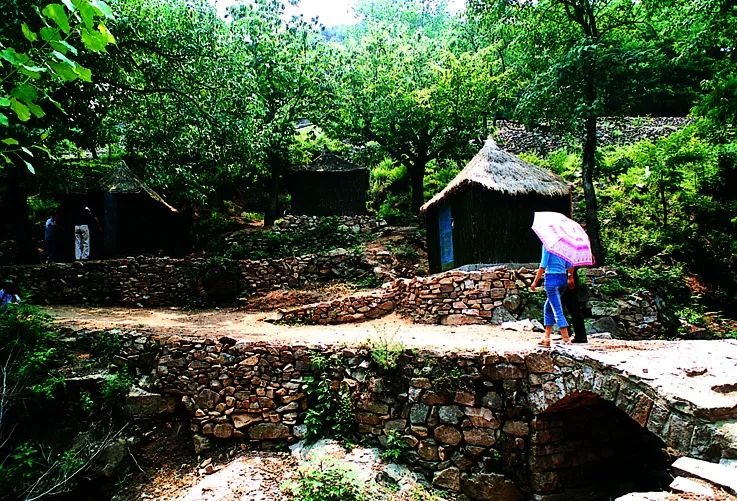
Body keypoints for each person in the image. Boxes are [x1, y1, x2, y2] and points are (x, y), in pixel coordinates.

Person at [530, 245, 574, 347]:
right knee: (548, 307)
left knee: (557, 309)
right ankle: (546, 338)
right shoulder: (565, 246)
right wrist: (570, 277)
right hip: (563, 279)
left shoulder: (547, 245)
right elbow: (570, 265)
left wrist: (535, 282)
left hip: (551, 280)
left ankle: (566, 339)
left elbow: (543, 265)